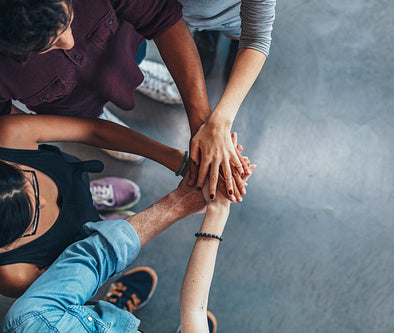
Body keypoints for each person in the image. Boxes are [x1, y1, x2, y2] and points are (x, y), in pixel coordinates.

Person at [0, 0, 248, 201]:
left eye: (69, 19)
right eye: (48, 45)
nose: (70, 42)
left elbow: (160, 18)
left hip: (123, 46)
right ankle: (104, 113)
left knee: (133, 61)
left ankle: (138, 74)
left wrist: (201, 125)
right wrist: (179, 161)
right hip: (71, 109)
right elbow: (69, 129)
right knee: (85, 117)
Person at [0, 114, 249, 298]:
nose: (43, 200)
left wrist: (180, 162)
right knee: (100, 239)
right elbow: (88, 267)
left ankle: (94, 201)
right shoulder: (15, 274)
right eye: (31, 219)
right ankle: (101, 227)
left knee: (81, 195)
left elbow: (93, 130)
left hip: (73, 181)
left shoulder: (9, 135)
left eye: (28, 181)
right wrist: (179, 204)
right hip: (77, 244)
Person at [2, 163, 253, 332]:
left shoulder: (34, 320)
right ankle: (114, 312)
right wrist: (217, 208)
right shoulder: (31, 319)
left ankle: (113, 311)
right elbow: (193, 310)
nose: (42, 202)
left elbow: (194, 310)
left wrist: (215, 210)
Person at [137, 0, 276, 197]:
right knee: (200, 40)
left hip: (233, 18)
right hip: (183, 18)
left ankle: (231, 45)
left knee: (238, 37)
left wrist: (219, 122)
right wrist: (203, 124)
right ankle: (207, 39)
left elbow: (256, 37)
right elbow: (162, 16)